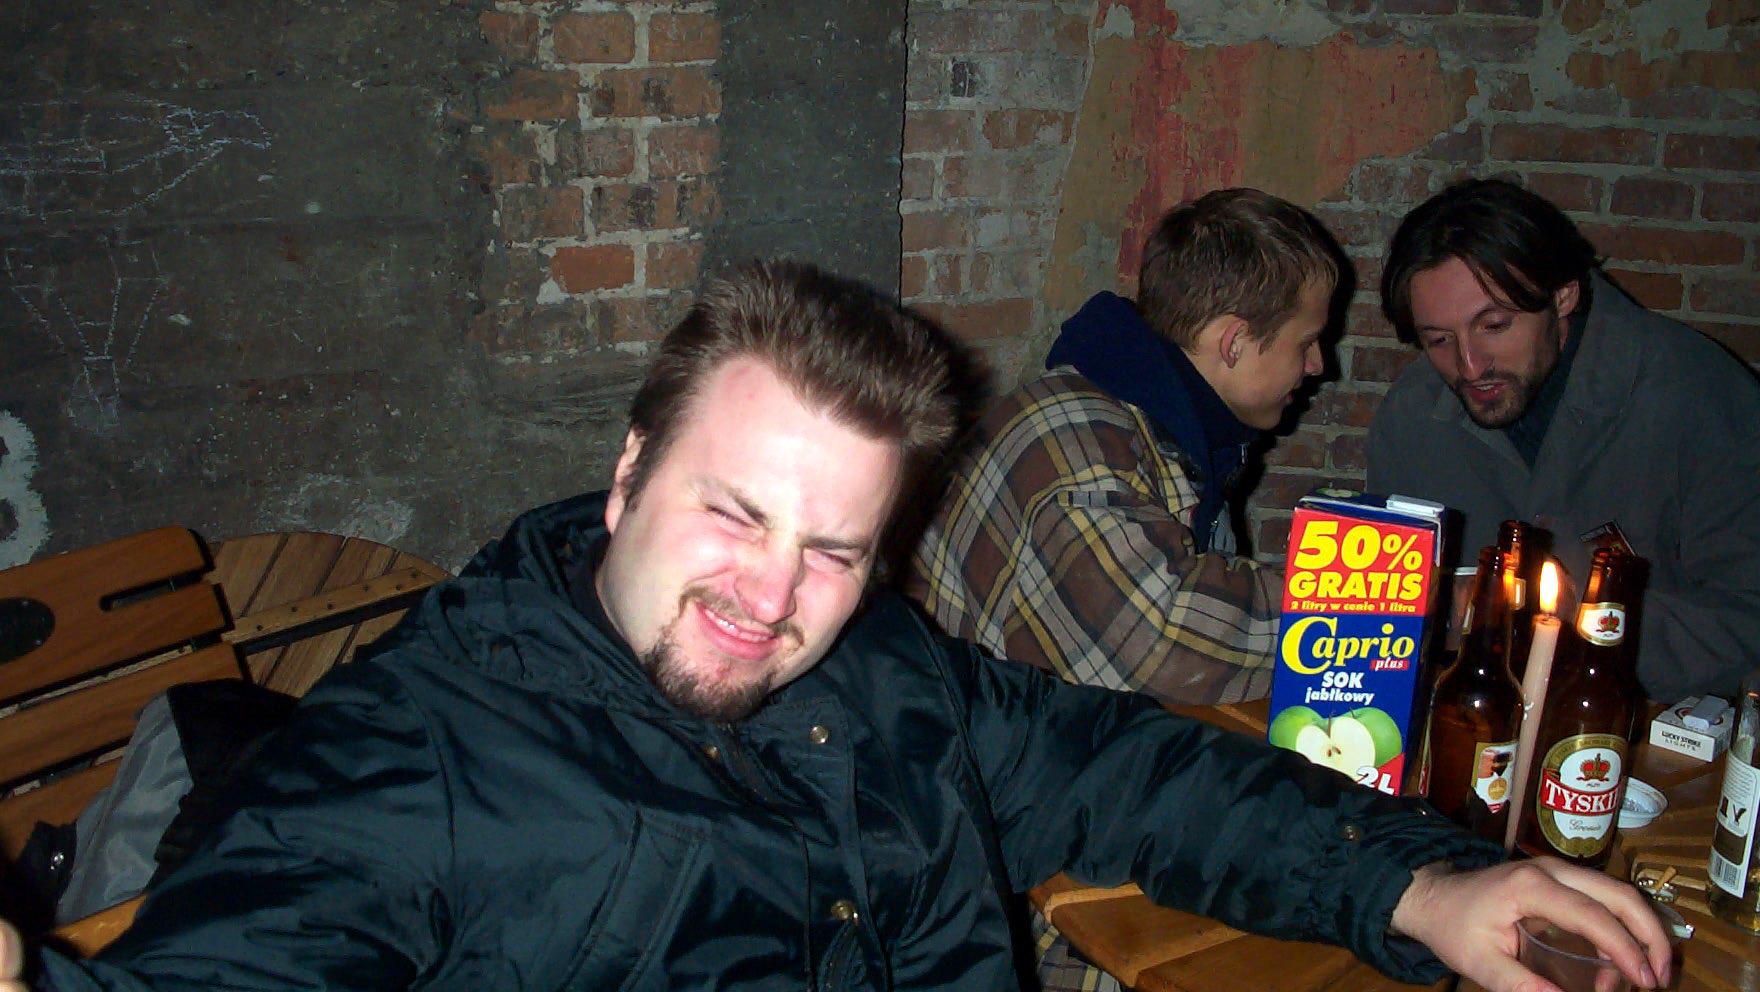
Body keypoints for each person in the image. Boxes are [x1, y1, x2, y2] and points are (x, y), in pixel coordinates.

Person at [4, 261, 1669, 992]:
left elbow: (1123, 768)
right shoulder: (423, 761)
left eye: (835, 549)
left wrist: (1422, 883)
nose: (771, 595)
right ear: (629, 474)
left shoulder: (877, 666)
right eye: (733, 512)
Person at [909, 189, 1339, 707]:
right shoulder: (1077, 445)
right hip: (956, 748)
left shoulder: (1162, 425)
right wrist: (1364, 615)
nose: (1319, 364)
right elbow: (1161, 644)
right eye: (1305, 342)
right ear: (1234, 343)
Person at [1368, 178, 1760, 701]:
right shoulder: (1412, 415)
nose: (1469, 366)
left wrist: (1585, 620)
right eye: (1438, 340)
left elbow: (1748, 621)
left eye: (1494, 325)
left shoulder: (1700, 393)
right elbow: (1382, 624)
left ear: (1562, 295)